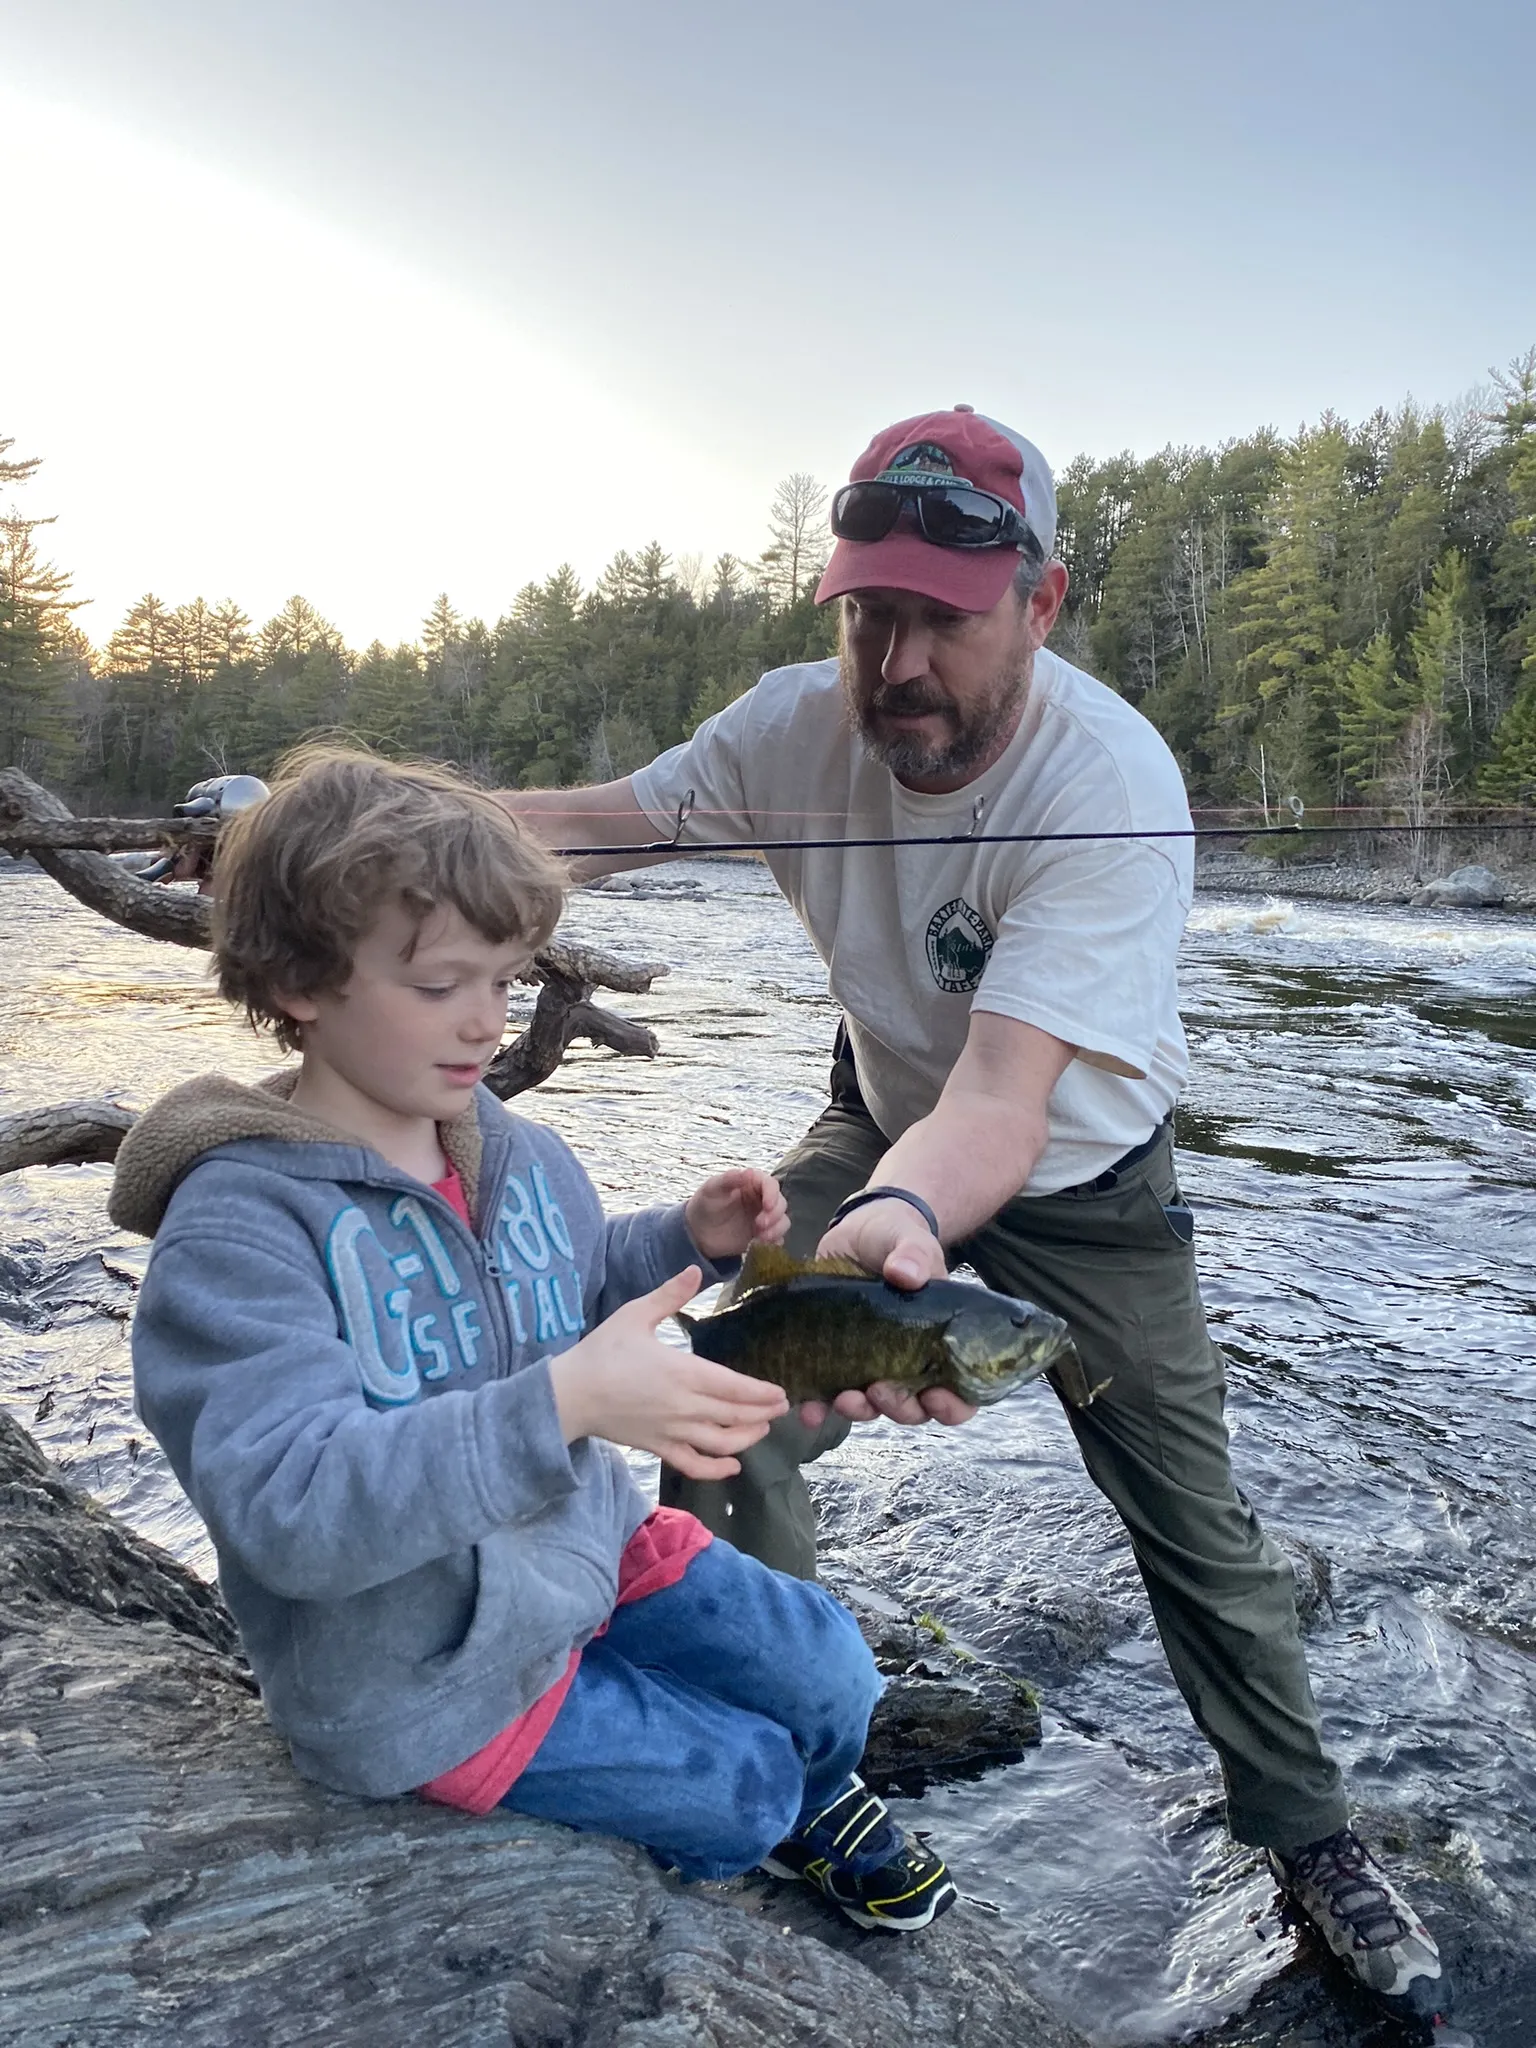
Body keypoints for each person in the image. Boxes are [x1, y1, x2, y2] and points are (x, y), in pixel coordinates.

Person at [502, 409, 1449, 2027]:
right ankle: (790, 1760)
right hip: (878, 1114)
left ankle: (1307, 1832)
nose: (899, 659)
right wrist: (357, 820)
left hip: (1078, 1171)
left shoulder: (1109, 785)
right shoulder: (791, 728)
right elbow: (600, 820)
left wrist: (891, 1222)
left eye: (945, 614)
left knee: (1193, 1520)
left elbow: (1006, 1101)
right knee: (726, 1402)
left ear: (1043, 602)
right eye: (872, 613)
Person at [110, 746, 958, 1933]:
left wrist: (688, 1241)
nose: (485, 1022)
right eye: (442, 983)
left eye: (506, 981)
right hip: (422, 1671)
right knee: (742, 1784)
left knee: (833, 1667)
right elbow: (291, 1509)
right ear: (300, 981)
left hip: (577, 1547)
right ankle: (770, 1808)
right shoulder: (235, 1230)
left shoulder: (507, 1144)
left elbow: (563, 1283)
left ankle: (776, 1771)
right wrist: (562, 1402)